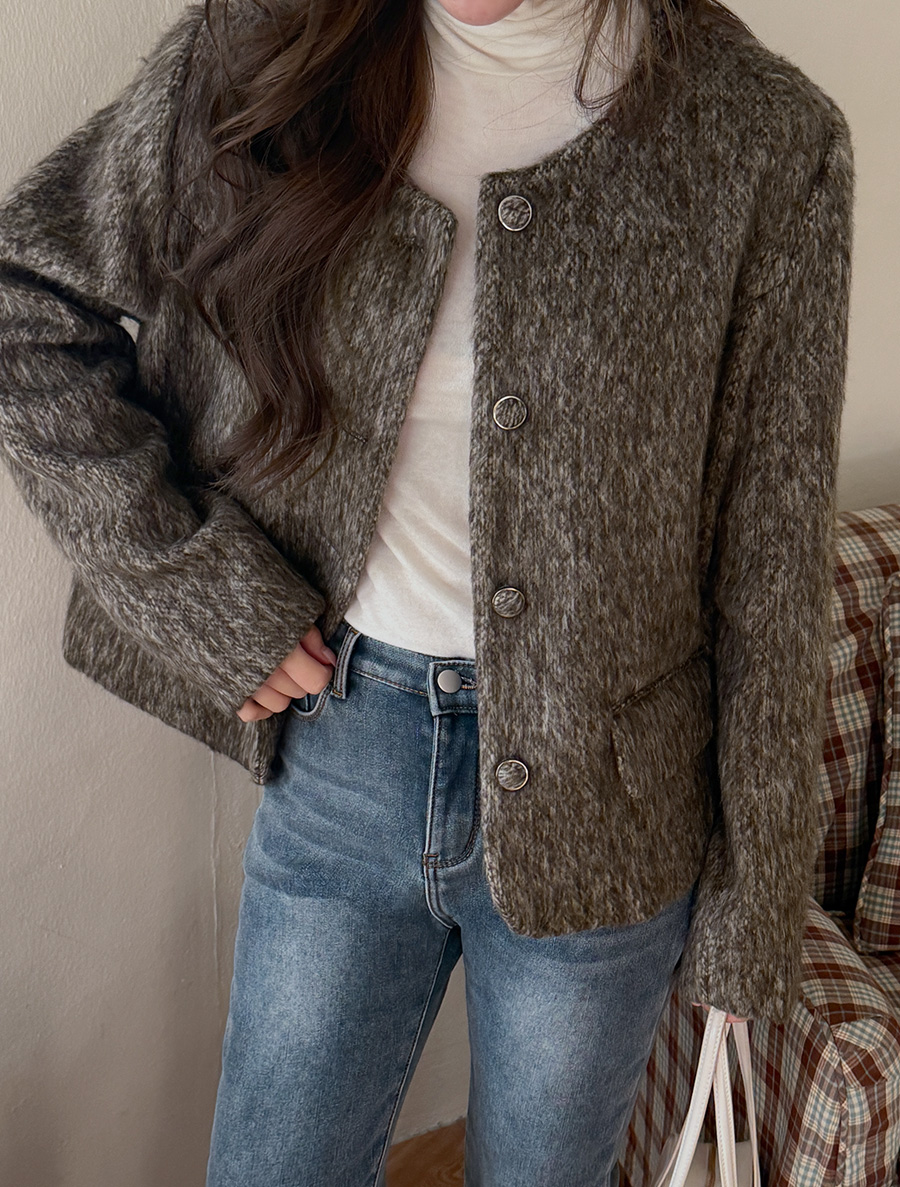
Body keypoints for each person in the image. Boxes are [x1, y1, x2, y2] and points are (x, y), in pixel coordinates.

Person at [0, 0, 855, 1184]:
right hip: (342, 755)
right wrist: (201, 596)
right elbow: (25, 304)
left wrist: (750, 923)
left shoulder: (763, 140)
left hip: (612, 805)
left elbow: (773, 555)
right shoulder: (264, 53)